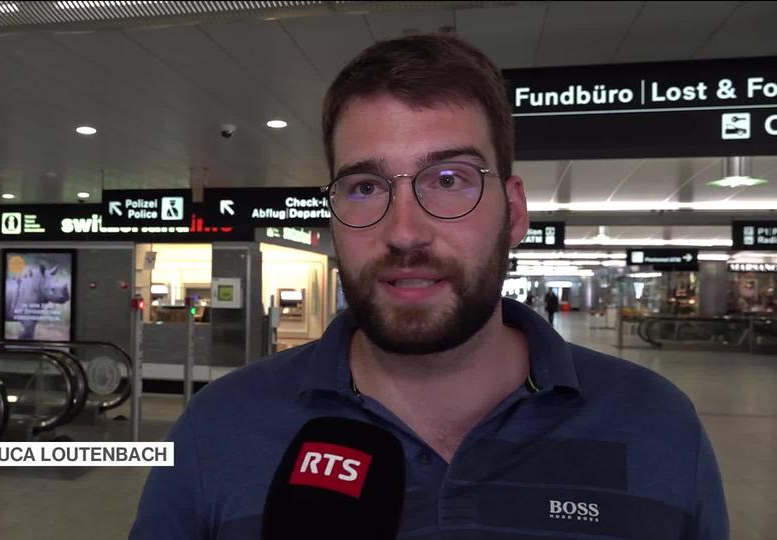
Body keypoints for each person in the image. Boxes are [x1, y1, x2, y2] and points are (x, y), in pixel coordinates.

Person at [131, 33, 728, 539]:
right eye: (365, 187)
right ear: (334, 216)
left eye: (449, 179)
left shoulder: (656, 426)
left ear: (514, 212)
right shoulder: (217, 431)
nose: (404, 231)